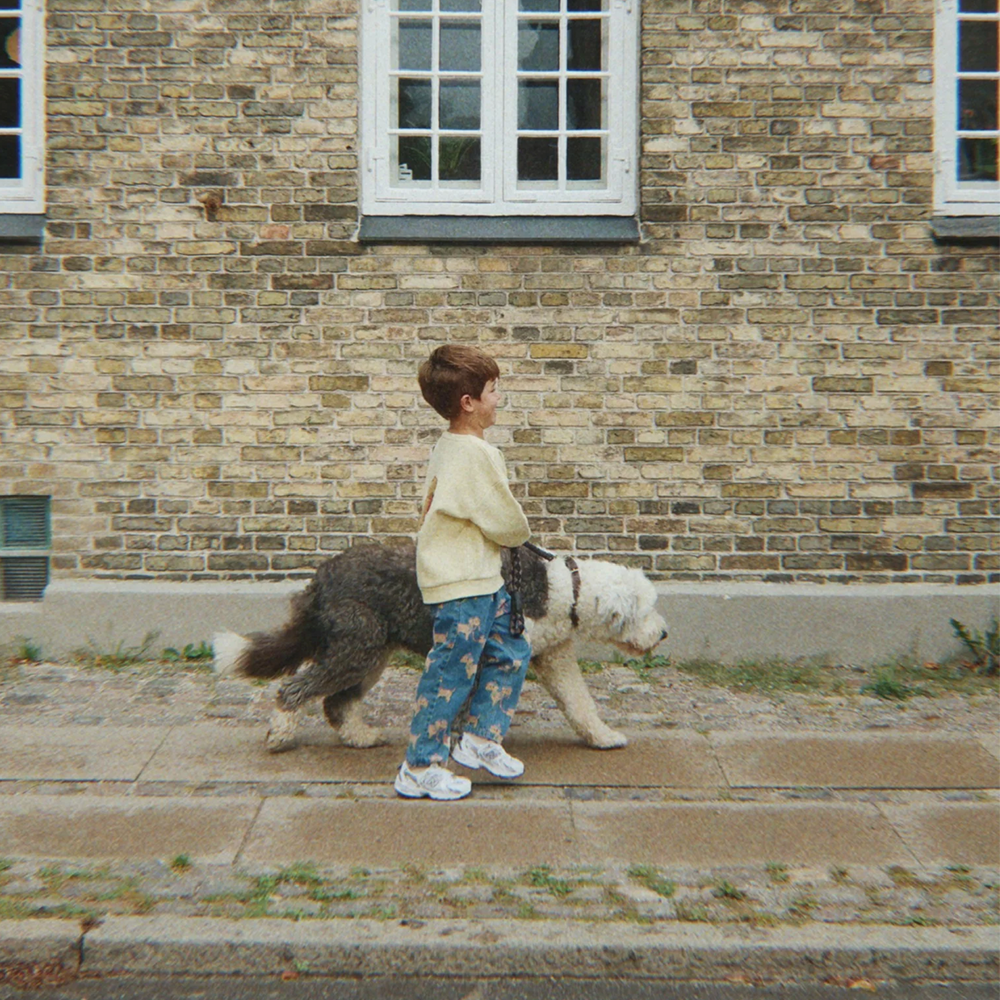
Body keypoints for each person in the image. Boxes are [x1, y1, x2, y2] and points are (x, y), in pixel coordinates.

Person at [395, 344, 532, 801]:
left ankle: (479, 738)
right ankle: (419, 766)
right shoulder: (475, 454)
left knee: (510, 650)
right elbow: (504, 519)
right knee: (450, 674)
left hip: (482, 578)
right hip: (462, 584)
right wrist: (520, 533)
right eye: (493, 390)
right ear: (468, 402)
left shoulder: (451, 446)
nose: (499, 398)